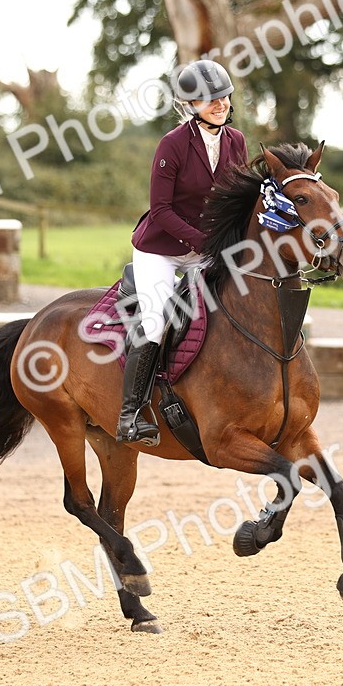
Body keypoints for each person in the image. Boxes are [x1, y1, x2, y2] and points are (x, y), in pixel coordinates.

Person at [115, 60, 249, 446]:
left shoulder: (236, 141)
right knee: (156, 320)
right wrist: (205, 242)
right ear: (189, 104)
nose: (219, 104)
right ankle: (131, 414)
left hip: (205, 248)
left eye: (223, 96)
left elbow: (236, 199)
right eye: (209, 100)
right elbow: (161, 210)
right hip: (162, 249)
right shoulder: (172, 144)